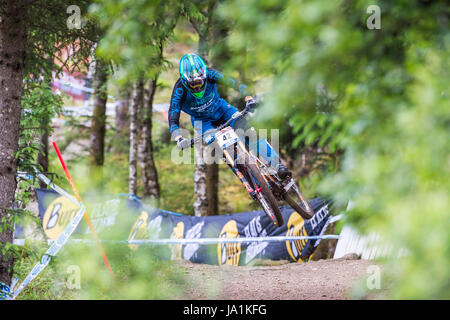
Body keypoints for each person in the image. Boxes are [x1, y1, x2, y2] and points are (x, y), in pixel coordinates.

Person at [168, 53, 291, 180]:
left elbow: (234, 82)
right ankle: (250, 184)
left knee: (250, 133)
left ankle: (278, 166)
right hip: (202, 122)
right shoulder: (179, 90)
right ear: (184, 81)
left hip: (222, 110)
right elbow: (173, 113)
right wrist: (179, 137)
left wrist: (248, 98)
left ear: (204, 76)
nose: (197, 87)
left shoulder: (211, 74)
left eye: (199, 82)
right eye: (192, 85)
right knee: (225, 152)